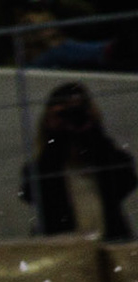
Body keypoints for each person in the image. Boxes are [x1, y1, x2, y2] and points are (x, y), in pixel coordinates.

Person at [21, 81, 138, 242]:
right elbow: (32, 194)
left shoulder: (104, 158)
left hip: (108, 243)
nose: (72, 118)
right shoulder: (43, 167)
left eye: (78, 112)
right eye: (64, 113)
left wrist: (93, 130)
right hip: (64, 250)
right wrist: (55, 133)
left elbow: (127, 180)